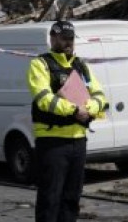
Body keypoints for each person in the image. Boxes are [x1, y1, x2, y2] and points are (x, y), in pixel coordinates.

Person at [27, 20, 108, 222]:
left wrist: (89, 108)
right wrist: (74, 110)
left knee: (72, 198)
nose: (68, 43)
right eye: (63, 39)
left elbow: (99, 95)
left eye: (71, 39)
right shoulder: (40, 64)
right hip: (52, 141)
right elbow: (44, 98)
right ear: (52, 38)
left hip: (78, 141)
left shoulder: (81, 66)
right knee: (50, 198)